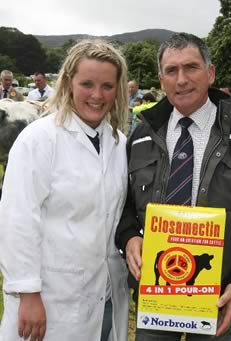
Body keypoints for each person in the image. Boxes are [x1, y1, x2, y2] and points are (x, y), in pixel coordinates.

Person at [115, 32, 231, 341]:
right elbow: (122, 206)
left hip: (219, 296)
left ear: (210, 73)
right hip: (156, 291)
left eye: (191, 67)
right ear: (161, 79)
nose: (181, 79)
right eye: (171, 71)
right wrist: (130, 236)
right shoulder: (141, 138)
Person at [0, 39, 130, 341]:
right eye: (87, 84)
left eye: (107, 86)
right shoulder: (40, 139)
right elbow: (17, 220)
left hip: (106, 295)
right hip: (50, 299)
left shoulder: (119, 143)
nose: (97, 95)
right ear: (69, 82)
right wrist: (27, 292)